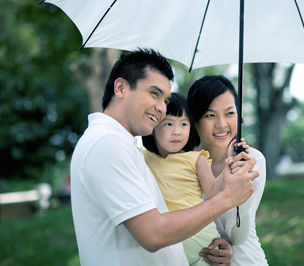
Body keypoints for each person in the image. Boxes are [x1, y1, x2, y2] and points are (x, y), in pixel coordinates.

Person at [70, 49, 259, 266]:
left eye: (165, 99)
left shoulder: (122, 145)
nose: (161, 108)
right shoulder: (106, 144)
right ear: (121, 88)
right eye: (154, 94)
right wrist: (226, 198)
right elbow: (153, 233)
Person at [141, 93, 249, 265]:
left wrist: (229, 164)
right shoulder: (143, 157)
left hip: (203, 245)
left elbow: (214, 192)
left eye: (184, 124)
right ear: (153, 127)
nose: (177, 131)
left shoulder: (197, 159)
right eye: (169, 124)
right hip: (168, 244)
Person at [187, 75, 269, 265]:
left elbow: (237, 236)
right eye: (210, 115)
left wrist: (243, 185)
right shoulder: (185, 163)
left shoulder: (253, 160)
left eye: (230, 113)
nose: (222, 124)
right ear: (194, 119)